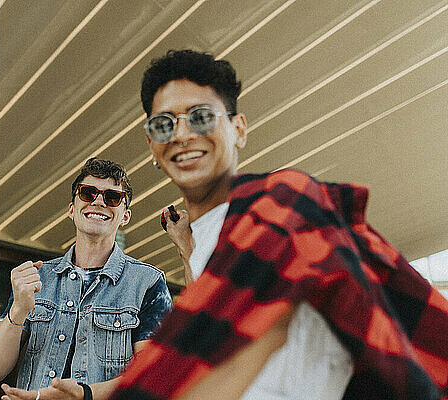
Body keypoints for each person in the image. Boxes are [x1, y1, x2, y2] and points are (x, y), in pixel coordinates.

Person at [107, 50, 448, 400]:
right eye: (164, 124)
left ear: (238, 129)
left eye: (201, 117)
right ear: (152, 143)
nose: (181, 135)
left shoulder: (282, 207)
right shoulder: (210, 250)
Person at [0, 158, 172, 400]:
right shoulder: (38, 278)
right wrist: (18, 309)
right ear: (71, 209)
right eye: (88, 193)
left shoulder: (148, 282)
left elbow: (155, 376)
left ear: (125, 216)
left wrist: (84, 396)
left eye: (112, 197)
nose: (99, 201)